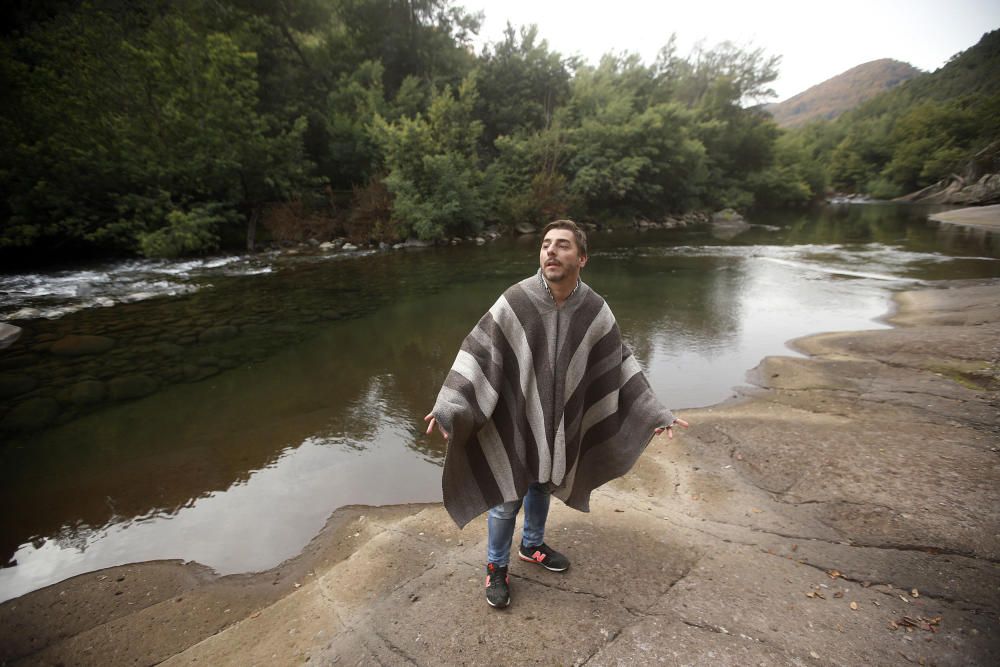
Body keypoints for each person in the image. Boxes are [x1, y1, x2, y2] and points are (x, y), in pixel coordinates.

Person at [424, 220, 688, 609]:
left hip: (562, 420)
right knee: (508, 496)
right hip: (517, 415)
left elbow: (620, 363)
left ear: (581, 258)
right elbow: (479, 351)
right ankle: (496, 567)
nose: (550, 251)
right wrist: (450, 405)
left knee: (543, 481)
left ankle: (532, 545)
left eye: (562, 245)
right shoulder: (517, 300)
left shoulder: (595, 310)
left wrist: (653, 411)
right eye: (546, 244)